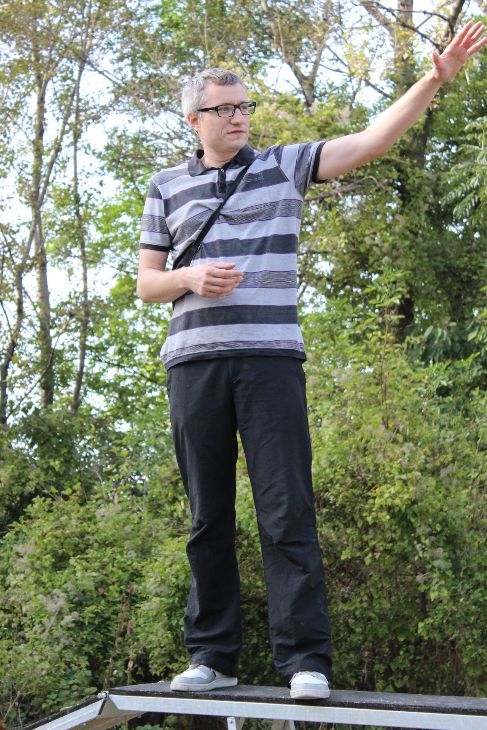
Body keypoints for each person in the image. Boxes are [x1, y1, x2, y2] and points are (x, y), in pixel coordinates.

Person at [137, 21, 486, 700]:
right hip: (193, 364)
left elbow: (371, 141)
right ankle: (212, 657)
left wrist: (432, 80)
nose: (238, 117)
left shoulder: (283, 165)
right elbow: (147, 283)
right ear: (194, 119)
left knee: (286, 510)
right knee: (207, 516)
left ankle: (305, 661)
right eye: (223, 108)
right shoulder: (165, 186)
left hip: (270, 360)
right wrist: (189, 277)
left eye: (244, 106)